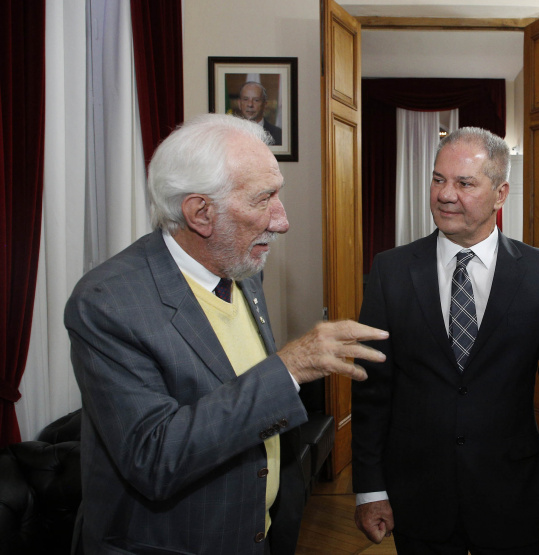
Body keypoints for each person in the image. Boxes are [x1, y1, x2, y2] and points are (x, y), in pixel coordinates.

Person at [65, 114, 388, 555]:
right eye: (263, 199)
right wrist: (288, 368)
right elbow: (154, 457)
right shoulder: (107, 303)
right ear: (200, 212)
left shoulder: (241, 268)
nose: (282, 220)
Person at [351, 127, 539, 553]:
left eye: (464, 183)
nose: (445, 195)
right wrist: (369, 488)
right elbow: (372, 392)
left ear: (500, 193)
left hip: (512, 494)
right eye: (438, 179)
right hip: (418, 494)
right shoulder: (391, 271)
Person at [236, 81, 283, 145]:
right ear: (239, 104)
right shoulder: (229, 133)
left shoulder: (279, 135)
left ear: (265, 105)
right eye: (245, 99)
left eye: (256, 100)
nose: (250, 104)